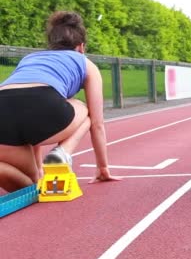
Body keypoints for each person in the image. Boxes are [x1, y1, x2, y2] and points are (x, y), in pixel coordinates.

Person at [0, 11, 120, 193]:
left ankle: (33, 174)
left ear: (51, 44)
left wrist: (39, 168)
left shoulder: (29, 58)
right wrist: (102, 168)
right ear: (81, 47)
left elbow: (24, 102)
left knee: (33, 186)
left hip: (3, 110)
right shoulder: (85, 63)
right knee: (85, 110)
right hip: (44, 103)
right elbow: (97, 124)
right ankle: (62, 153)